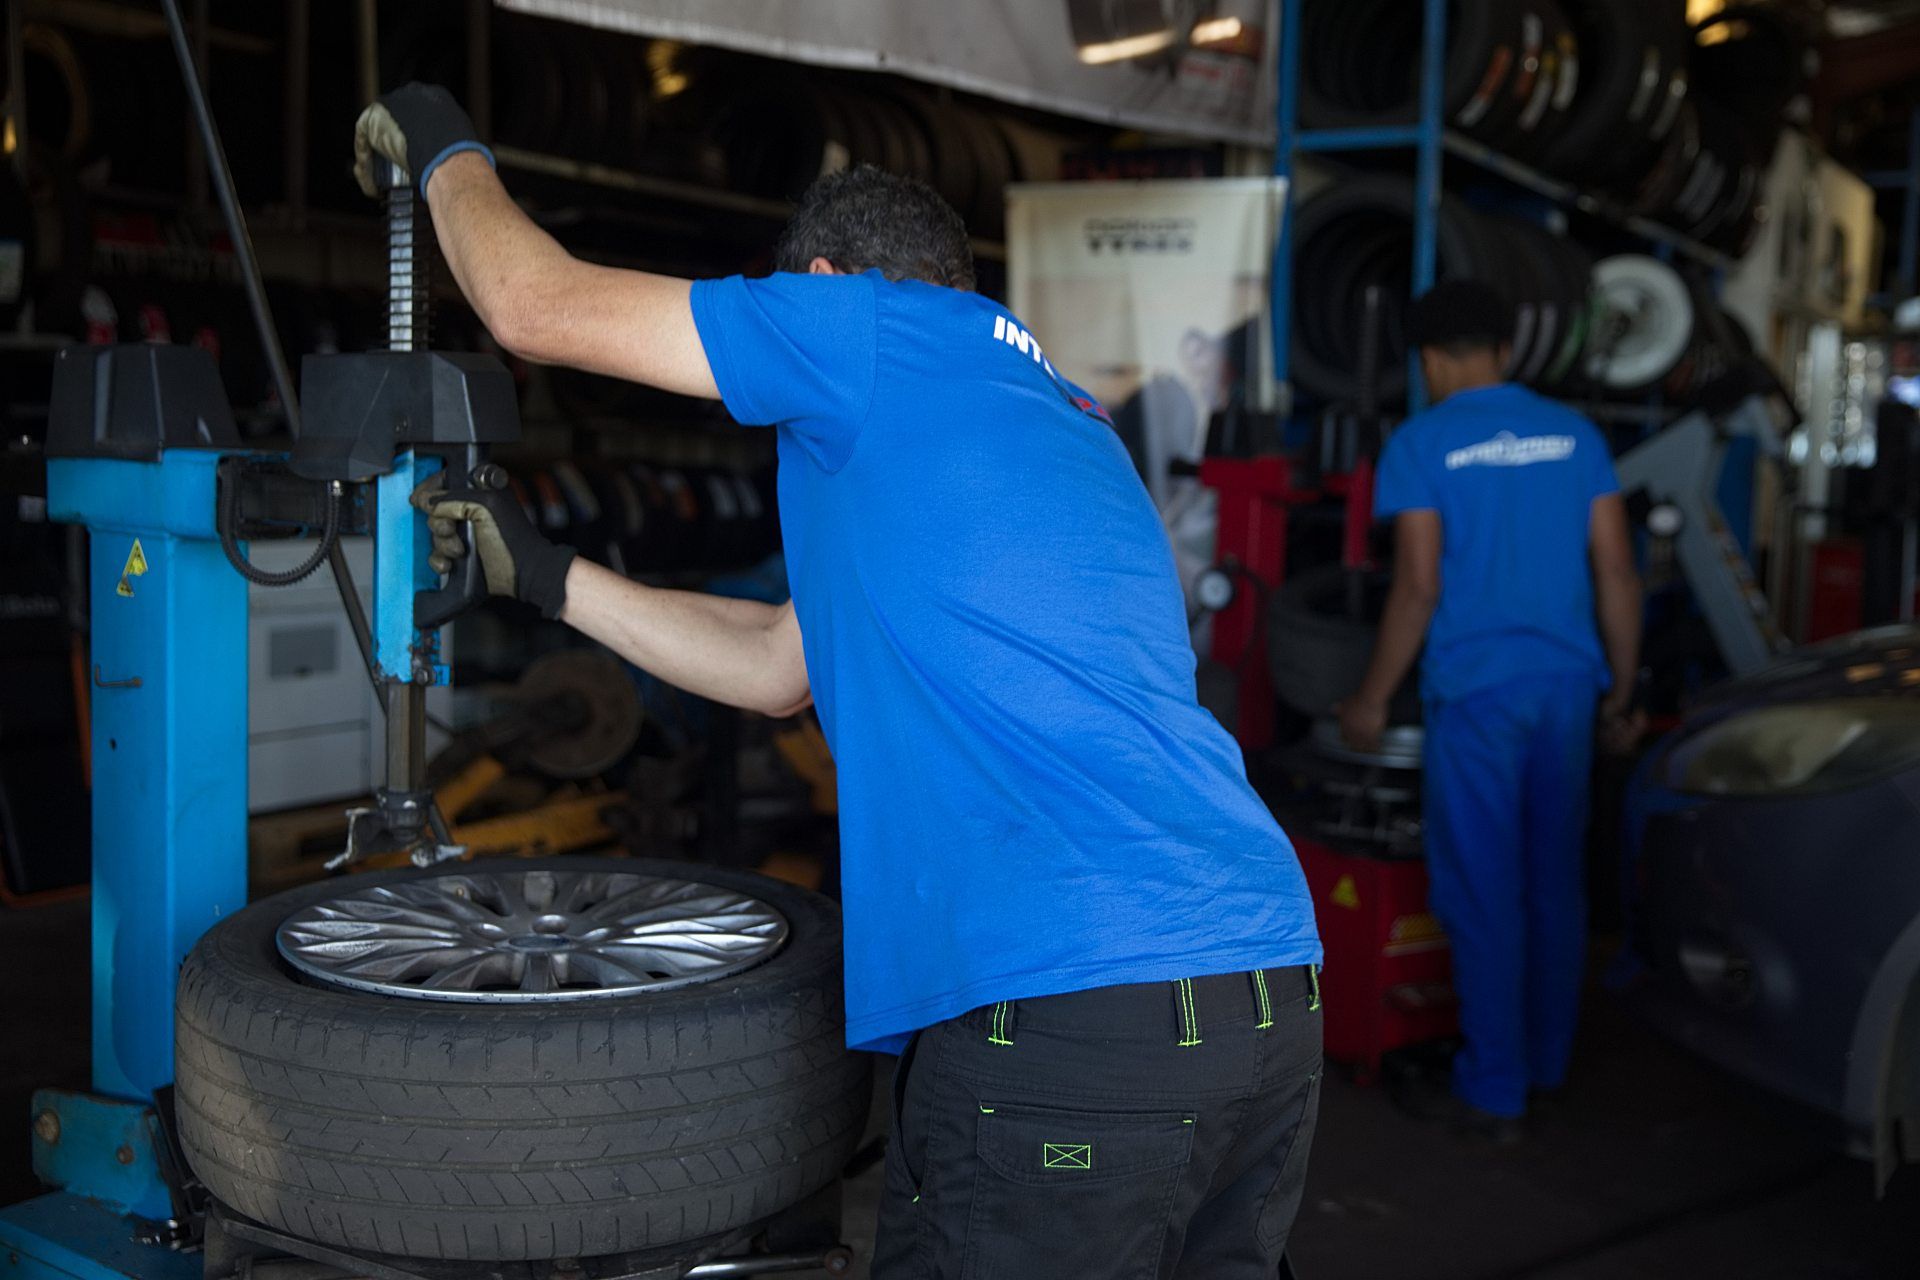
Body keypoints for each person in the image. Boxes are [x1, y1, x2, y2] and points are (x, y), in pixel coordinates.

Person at [355, 84, 1323, 1278]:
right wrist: (550, 577)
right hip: (1262, 990)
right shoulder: (1061, 422)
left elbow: (530, 304)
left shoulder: (865, 329)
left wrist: (444, 140)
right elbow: (775, 668)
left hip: (1071, 1006)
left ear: (818, 279)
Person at [1339, 280, 1643, 1142]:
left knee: (1482, 889)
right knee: (1554, 881)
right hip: (1565, 690)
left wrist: (1367, 699)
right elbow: (1617, 573)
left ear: (1430, 359)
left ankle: (1494, 1088)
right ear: (1507, 351)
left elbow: (1418, 586)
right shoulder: (1578, 436)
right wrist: (1622, 689)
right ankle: (1546, 1066)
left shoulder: (1422, 441)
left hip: (1477, 696)